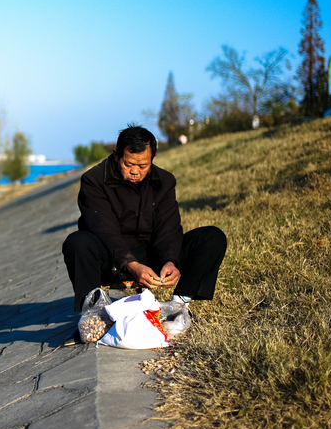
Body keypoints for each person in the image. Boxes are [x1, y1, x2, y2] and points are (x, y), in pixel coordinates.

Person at [62, 124, 227, 312]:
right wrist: (131, 265)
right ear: (116, 155)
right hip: (111, 258)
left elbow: (168, 228)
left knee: (212, 237)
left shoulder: (164, 181)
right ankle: (93, 313)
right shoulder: (93, 180)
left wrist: (170, 261)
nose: (135, 171)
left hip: (150, 255)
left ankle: (178, 306)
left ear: (153, 158)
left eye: (143, 166)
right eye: (128, 164)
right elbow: (104, 232)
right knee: (77, 242)